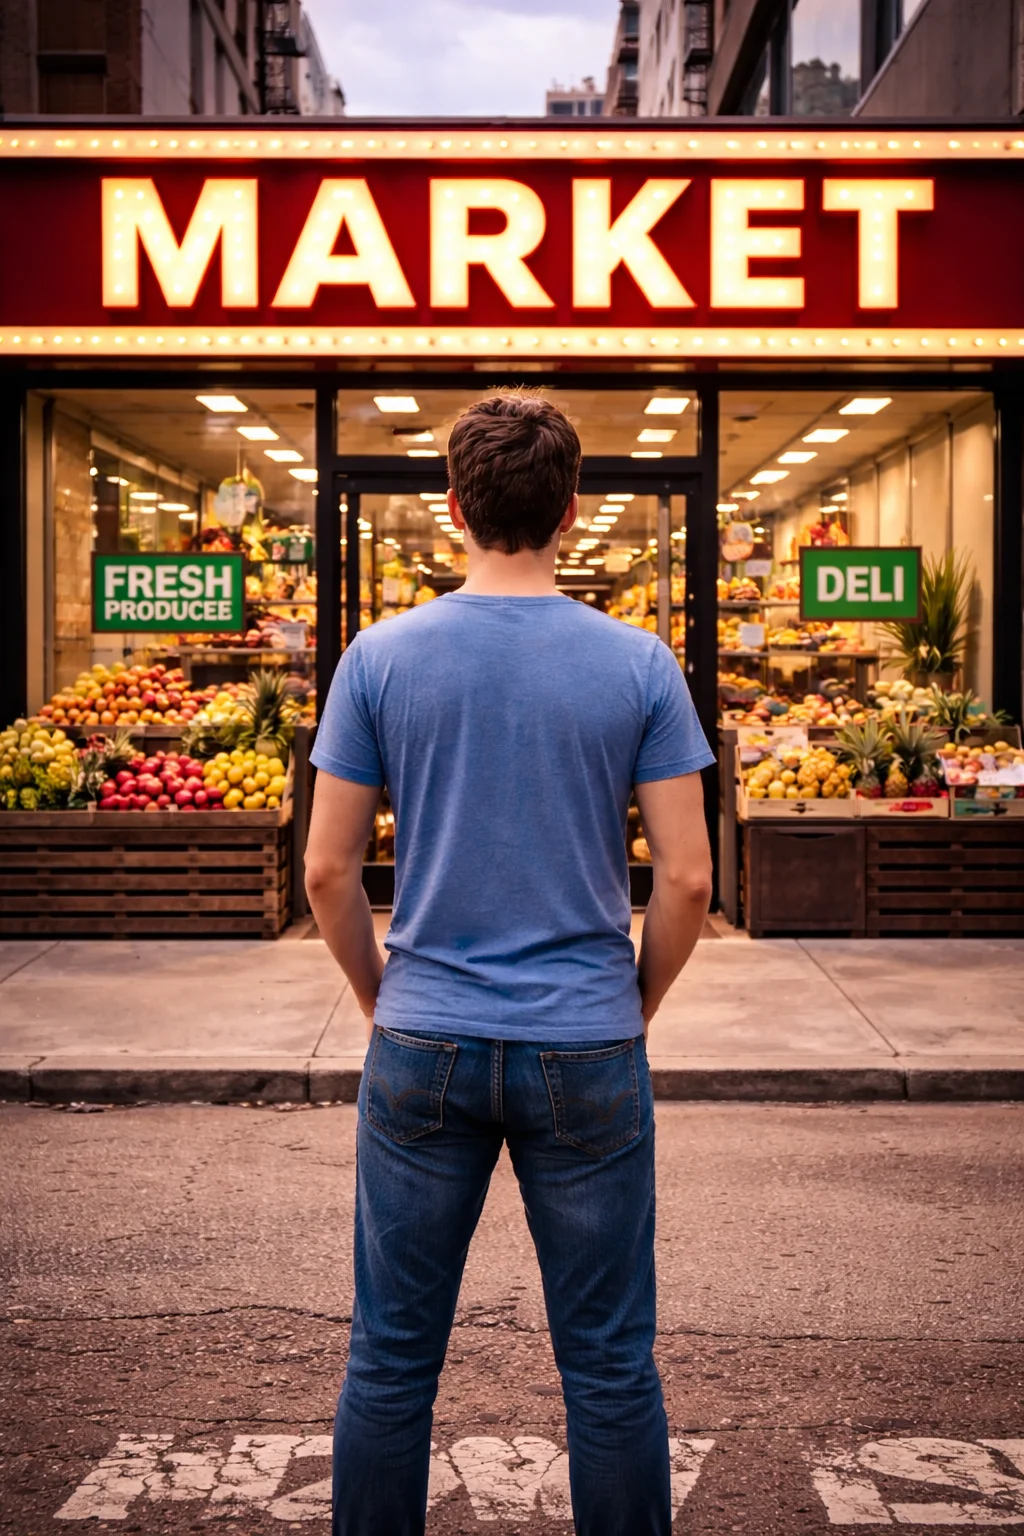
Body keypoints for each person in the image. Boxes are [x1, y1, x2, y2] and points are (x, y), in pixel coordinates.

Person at [304, 392, 715, 1536]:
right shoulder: (637, 664)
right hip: (584, 1037)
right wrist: (632, 1004)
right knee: (609, 1366)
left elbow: (329, 872)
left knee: (390, 1361)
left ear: (453, 509)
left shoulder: (379, 659)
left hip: (423, 1031)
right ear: (570, 510)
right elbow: (686, 879)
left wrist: (380, 995)